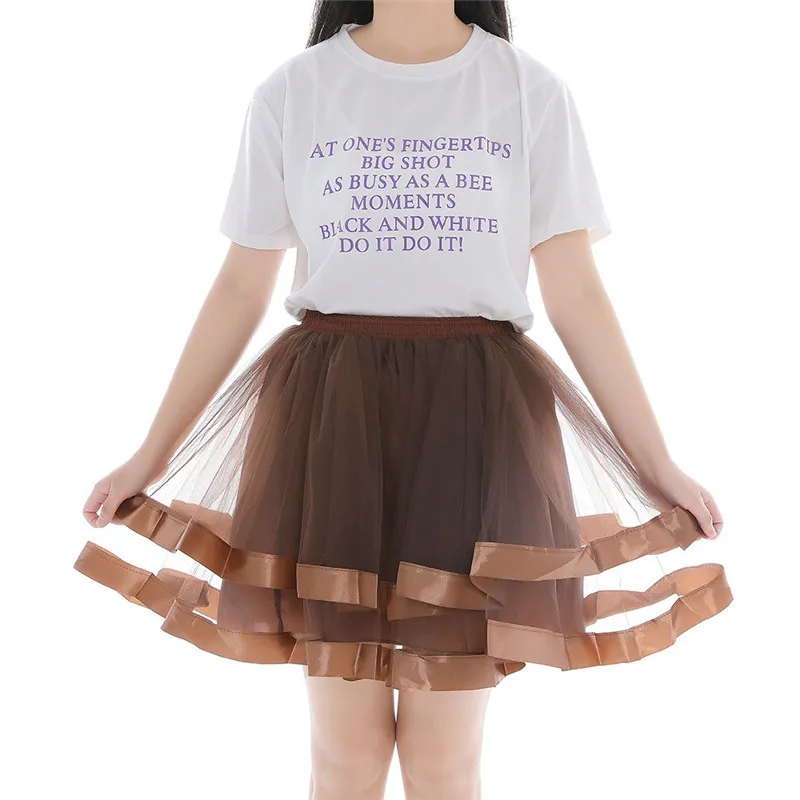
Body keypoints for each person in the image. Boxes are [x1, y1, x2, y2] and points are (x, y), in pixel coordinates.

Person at [76, 2, 732, 799]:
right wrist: (149, 455)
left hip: (477, 421)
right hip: (332, 420)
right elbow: (241, 286)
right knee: (345, 756)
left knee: (442, 759)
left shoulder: (528, 90)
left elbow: (577, 293)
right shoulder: (297, 89)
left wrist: (655, 461)